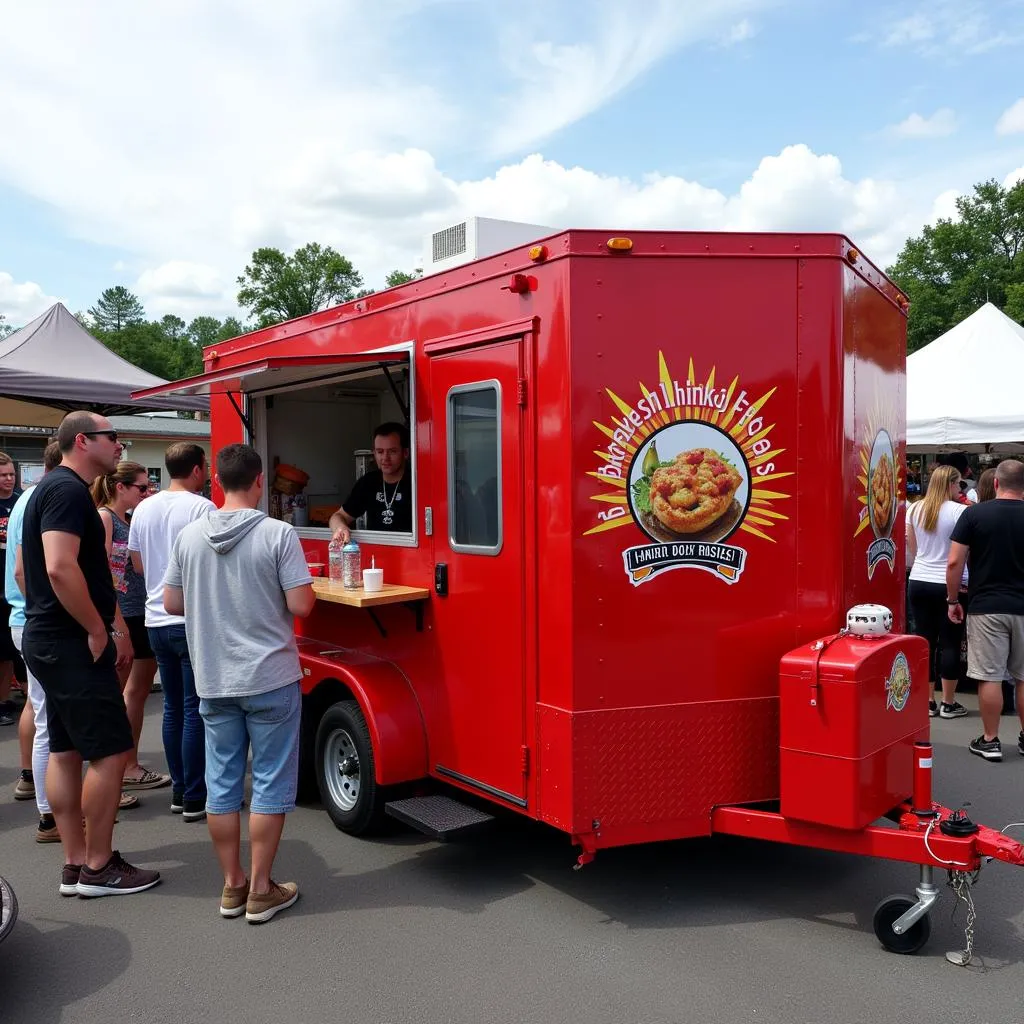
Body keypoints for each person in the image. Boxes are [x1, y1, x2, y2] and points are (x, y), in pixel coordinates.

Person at [163, 444, 315, 923]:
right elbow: (302, 606)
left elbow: (170, 603)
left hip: (213, 679)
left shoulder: (189, 538)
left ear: (216, 483)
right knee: (270, 783)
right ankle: (263, 888)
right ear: (258, 482)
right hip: (270, 677)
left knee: (222, 784)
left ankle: (233, 886)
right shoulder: (279, 534)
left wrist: (214, 602)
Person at [21, 412, 161, 897]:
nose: (120, 446)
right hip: (69, 640)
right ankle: (99, 867)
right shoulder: (65, 491)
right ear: (82, 441)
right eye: (112, 438)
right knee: (107, 752)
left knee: (66, 749)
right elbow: (59, 568)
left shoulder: (51, 490)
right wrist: (96, 628)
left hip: (49, 638)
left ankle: (76, 862)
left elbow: (30, 570)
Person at [128, 443, 214, 821]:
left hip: (154, 618)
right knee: (196, 709)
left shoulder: (144, 506)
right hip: (189, 618)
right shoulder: (202, 507)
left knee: (172, 709)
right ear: (197, 469)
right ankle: (195, 796)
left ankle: (180, 790)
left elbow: (137, 565)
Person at [91, 461, 171, 791]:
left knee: (135, 693)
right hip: (120, 618)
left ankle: (129, 764)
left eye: (150, 486)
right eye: (142, 487)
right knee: (117, 696)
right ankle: (116, 772)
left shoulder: (129, 519)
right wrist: (116, 625)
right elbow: (101, 576)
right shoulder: (105, 518)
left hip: (139, 615)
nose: (148, 492)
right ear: (119, 487)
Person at [947, 459, 1024, 762]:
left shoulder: (974, 514)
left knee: (989, 675)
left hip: (987, 606)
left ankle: (990, 741)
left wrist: (953, 600)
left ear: (995, 483)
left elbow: (954, 562)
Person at [7, 440, 63, 839]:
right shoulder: (44, 499)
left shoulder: (27, 497)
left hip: (24, 619)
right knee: (50, 721)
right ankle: (50, 813)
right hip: (34, 620)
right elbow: (26, 572)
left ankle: (33, 783)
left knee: (38, 706)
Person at [907, 465, 969, 719]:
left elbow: (913, 547)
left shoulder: (914, 509)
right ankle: (949, 702)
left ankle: (927, 700)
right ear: (952, 485)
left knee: (924, 641)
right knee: (951, 641)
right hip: (948, 581)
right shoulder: (959, 512)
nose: (960, 489)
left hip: (919, 578)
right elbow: (965, 553)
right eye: (958, 485)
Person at [329, 422, 411, 543]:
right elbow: (337, 516)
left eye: (392, 451)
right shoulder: (368, 482)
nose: (385, 458)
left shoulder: (417, 481)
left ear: (405, 453)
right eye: (380, 451)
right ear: (374, 453)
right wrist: (340, 527)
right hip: (375, 554)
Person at [0, 451, 24, 726]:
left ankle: (15, 698)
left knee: (12, 650)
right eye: (3, 475)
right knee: (2, 653)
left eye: (11, 475)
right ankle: (2, 700)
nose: (8, 480)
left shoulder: (19, 502)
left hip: (14, 587)